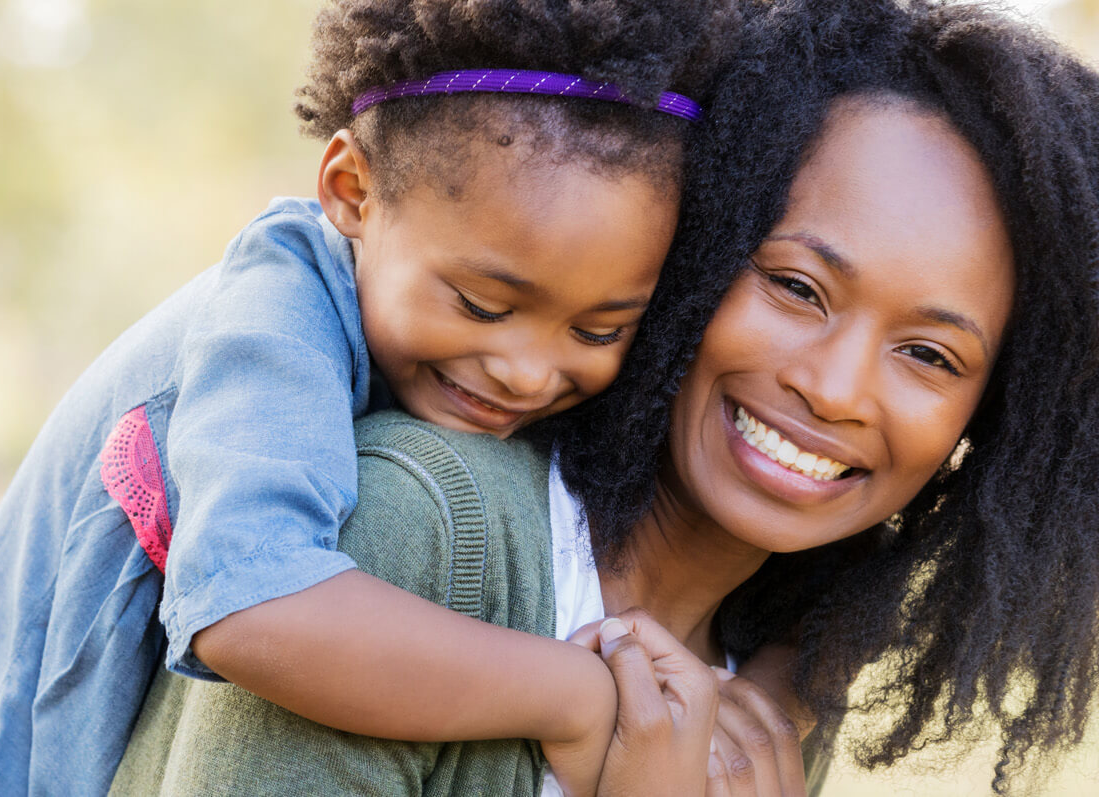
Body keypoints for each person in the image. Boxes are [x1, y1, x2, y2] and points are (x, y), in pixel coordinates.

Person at [108, 0, 1099, 794]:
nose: (833, 388)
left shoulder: (775, 701)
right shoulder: (418, 528)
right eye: (796, 287)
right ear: (694, 245)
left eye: (929, 353)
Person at [0, 1, 744, 794]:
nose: (526, 369)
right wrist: (576, 695)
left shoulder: (449, 351)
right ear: (351, 192)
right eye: (482, 305)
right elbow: (250, 604)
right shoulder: (273, 313)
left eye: (597, 331)